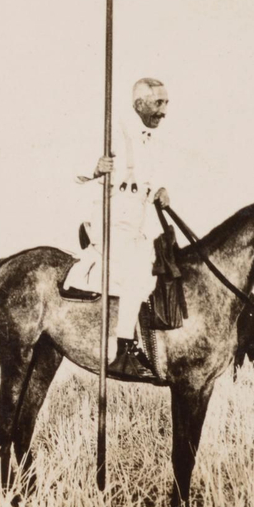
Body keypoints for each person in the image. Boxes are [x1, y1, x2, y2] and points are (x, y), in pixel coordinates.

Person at [73, 77, 172, 379]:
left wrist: (160, 189)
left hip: (136, 225)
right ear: (139, 104)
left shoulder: (150, 139)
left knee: (158, 266)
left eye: (166, 103)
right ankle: (123, 349)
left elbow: (148, 177)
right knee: (138, 272)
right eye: (159, 103)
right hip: (109, 221)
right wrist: (94, 167)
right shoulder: (113, 130)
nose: (164, 111)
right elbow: (74, 164)